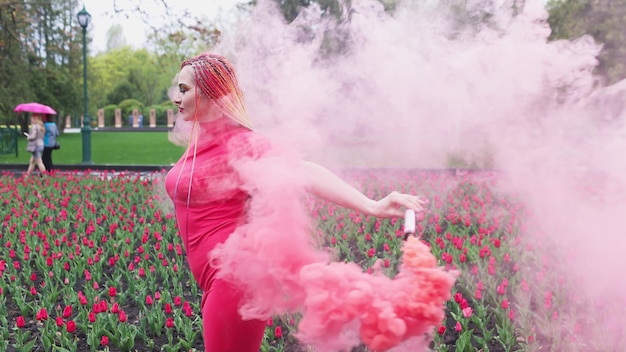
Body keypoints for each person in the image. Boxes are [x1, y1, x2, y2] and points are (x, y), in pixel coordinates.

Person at [165, 53, 428, 352]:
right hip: (213, 279)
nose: (176, 98)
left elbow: (303, 170)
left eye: (184, 89)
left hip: (235, 279)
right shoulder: (199, 140)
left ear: (211, 91)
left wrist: (372, 205)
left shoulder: (244, 143)